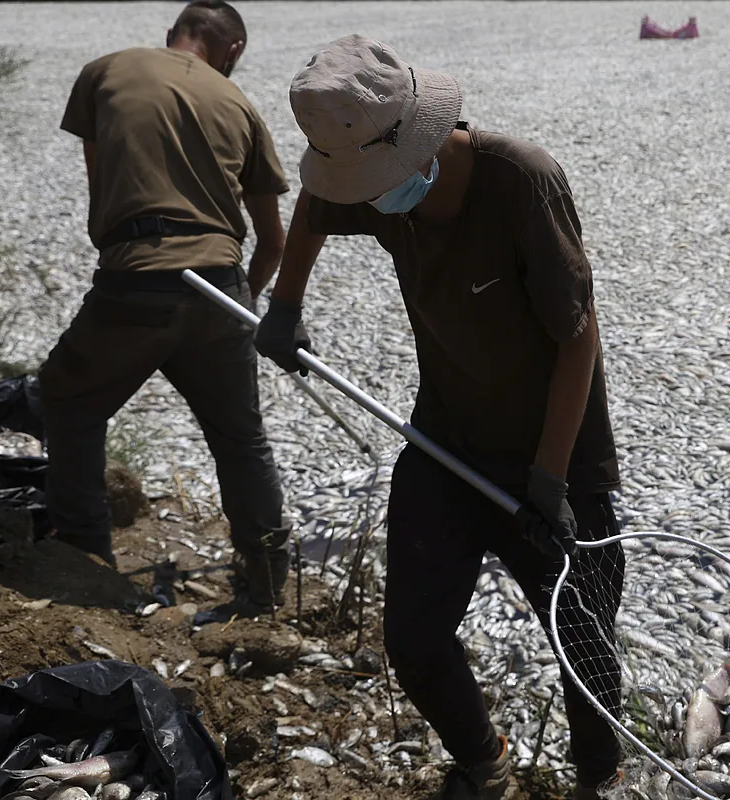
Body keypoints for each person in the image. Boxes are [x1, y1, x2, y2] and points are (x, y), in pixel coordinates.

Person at [255, 34, 627, 799]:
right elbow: (317, 208)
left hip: (554, 458)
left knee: (583, 643)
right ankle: (483, 761)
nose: (373, 195)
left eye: (376, 179)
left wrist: (550, 480)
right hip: (445, 441)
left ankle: (599, 777)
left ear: (414, 137)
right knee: (414, 640)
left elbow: (579, 340)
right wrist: (285, 304)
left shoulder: (522, 181)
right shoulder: (367, 183)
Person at [40, 0, 293, 610]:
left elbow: (101, 190)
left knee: (68, 401)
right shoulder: (239, 105)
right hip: (222, 287)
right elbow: (275, 240)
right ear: (231, 50)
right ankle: (264, 584)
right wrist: (241, 305)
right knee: (240, 439)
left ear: (175, 32)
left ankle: (83, 558)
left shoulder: (104, 71)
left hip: (134, 281)